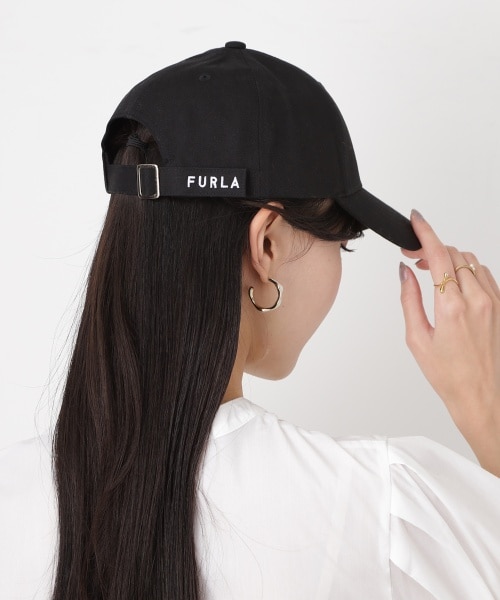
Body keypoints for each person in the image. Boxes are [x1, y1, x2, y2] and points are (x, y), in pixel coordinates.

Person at [1, 41, 499, 600]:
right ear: (266, 246)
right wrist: (488, 406)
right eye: (343, 244)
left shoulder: (11, 495)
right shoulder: (378, 508)